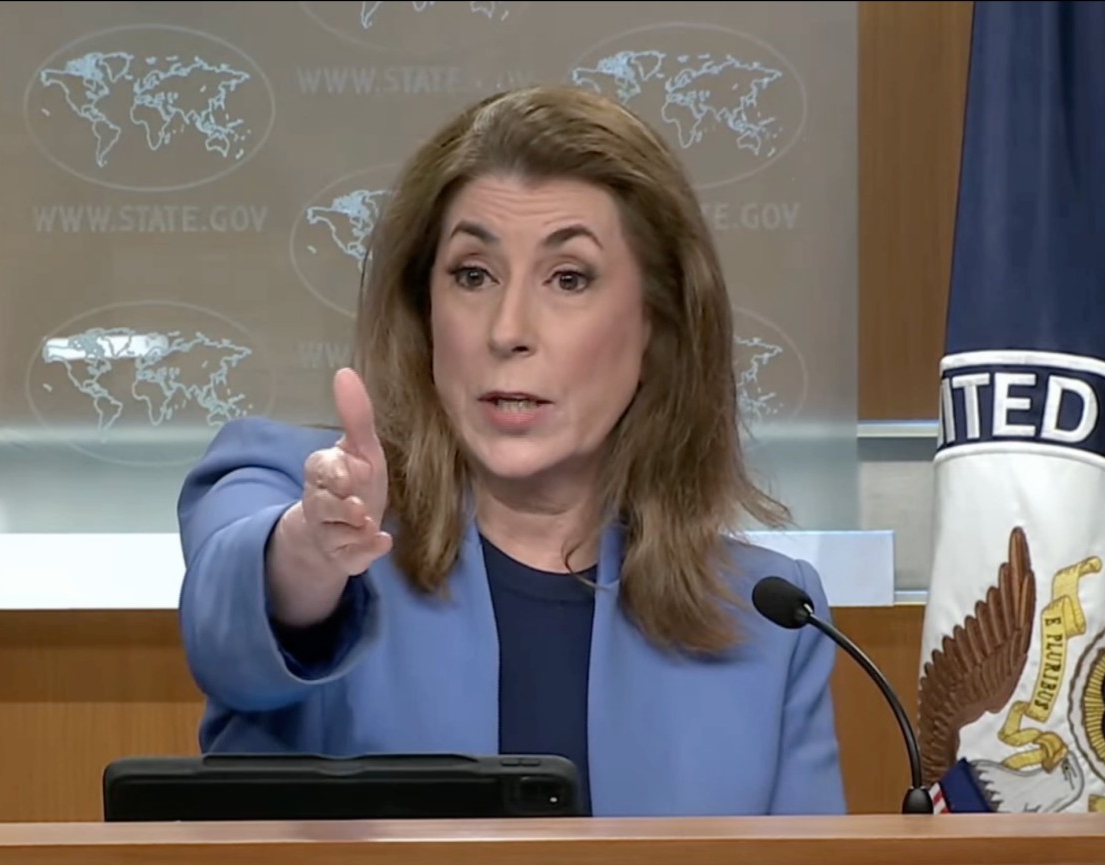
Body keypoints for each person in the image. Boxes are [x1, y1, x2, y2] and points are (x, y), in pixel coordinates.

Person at [174, 84, 846, 817]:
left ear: (658, 324)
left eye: (568, 278)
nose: (508, 330)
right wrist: (312, 552)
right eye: (473, 275)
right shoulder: (285, 486)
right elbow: (228, 634)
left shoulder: (772, 618)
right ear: (425, 310)